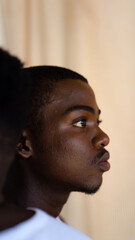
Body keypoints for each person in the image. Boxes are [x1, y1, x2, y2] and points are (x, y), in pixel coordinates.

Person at [4, 66, 110, 238]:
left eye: (97, 122)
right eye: (80, 123)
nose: (103, 138)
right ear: (23, 144)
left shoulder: (55, 228)